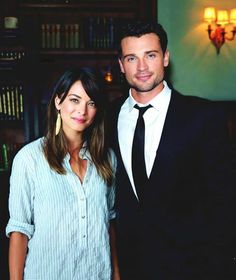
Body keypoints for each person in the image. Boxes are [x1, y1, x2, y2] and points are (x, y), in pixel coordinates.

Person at [109, 20, 236, 279]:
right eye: (132, 58)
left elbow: (224, 201)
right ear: (121, 65)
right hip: (130, 266)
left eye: (151, 55)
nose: (142, 67)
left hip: (194, 267)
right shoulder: (106, 119)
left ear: (165, 58)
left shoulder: (204, 116)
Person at [6, 67, 120, 279]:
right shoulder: (29, 159)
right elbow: (19, 233)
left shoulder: (107, 159)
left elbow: (109, 224)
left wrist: (117, 275)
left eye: (91, 103)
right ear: (58, 102)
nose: (82, 111)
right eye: (74, 100)